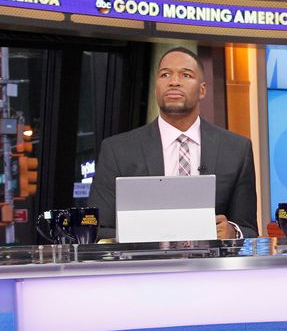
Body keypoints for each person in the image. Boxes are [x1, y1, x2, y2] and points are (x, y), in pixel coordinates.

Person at [88, 47, 259, 240]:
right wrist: (154, 235)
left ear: (202, 90)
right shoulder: (118, 151)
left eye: (186, 75)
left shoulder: (236, 149)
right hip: (147, 268)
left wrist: (233, 232)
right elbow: (98, 229)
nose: (174, 82)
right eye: (165, 74)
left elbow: (249, 229)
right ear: (156, 88)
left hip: (211, 268)